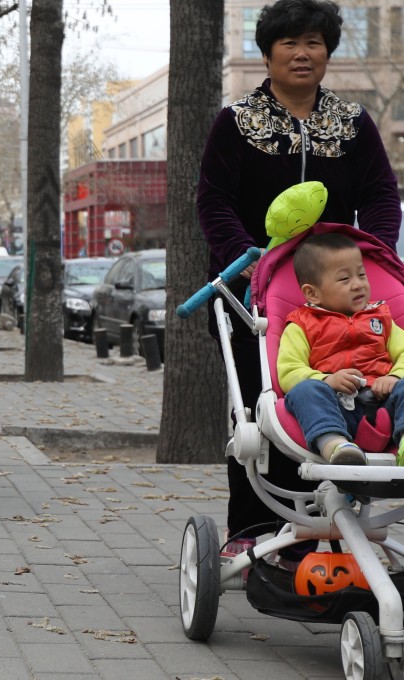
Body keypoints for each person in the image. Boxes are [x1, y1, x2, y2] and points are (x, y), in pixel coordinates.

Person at [196, 0, 402, 561]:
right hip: (251, 296)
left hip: (340, 300)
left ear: (328, 52)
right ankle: (252, 527)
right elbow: (213, 200)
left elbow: (382, 194)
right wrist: (248, 259)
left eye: (313, 42)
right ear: (267, 54)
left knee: (344, 400)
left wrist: (372, 254)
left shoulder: (353, 123)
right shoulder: (236, 120)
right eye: (289, 43)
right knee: (258, 410)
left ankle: (334, 524)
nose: (302, 53)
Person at [279, 233, 404, 466]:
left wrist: (395, 376)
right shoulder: (301, 325)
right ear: (312, 293)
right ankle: (335, 444)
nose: (358, 284)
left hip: (383, 400)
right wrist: (326, 379)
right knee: (304, 390)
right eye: (345, 279)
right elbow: (288, 370)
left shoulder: (381, 317)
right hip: (335, 406)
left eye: (361, 274)